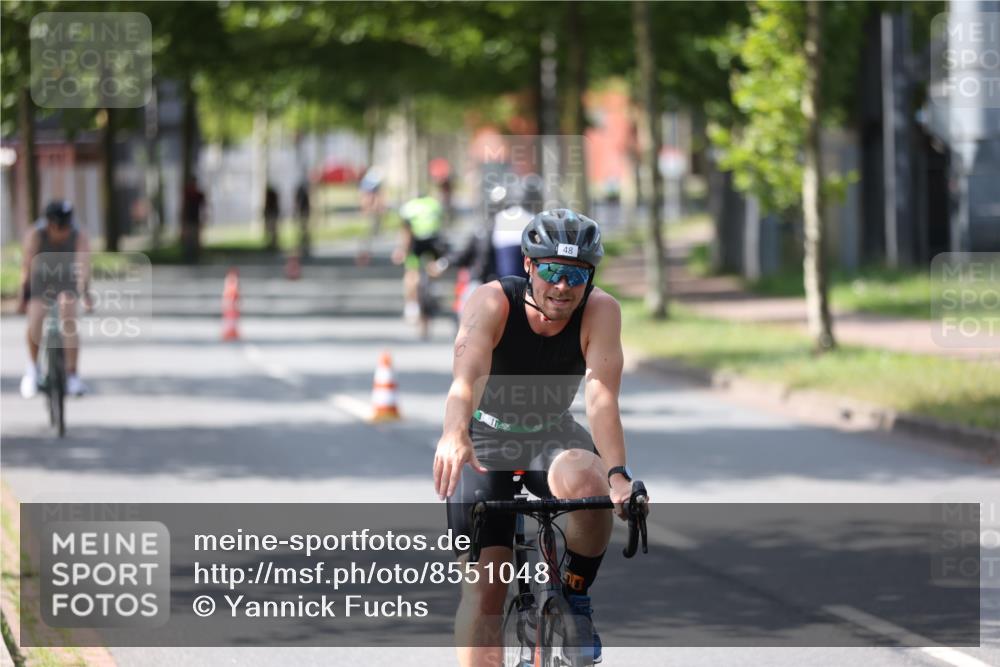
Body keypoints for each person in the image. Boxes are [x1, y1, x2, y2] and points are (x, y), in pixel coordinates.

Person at [434, 209, 643, 666]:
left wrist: (619, 476)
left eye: (575, 274)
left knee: (591, 484)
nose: (562, 286)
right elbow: (464, 382)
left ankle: (574, 596)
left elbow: (602, 397)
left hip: (549, 431)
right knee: (487, 594)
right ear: (528, 265)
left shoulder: (601, 310)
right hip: (485, 439)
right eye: (551, 270)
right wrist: (454, 433)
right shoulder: (492, 302)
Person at [18, 200, 93, 398]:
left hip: (66, 280)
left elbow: (84, 266)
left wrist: (85, 293)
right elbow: (27, 265)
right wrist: (23, 295)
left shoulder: (79, 235)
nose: (65, 231)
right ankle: (33, 370)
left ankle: (72, 375)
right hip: (41, 280)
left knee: (69, 316)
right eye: (61, 227)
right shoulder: (36, 234)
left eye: (67, 226)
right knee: (36, 316)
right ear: (50, 224)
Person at [393, 189, 446, 338]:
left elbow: (405, 231)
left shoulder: (409, 206)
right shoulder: (434, 204)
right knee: (435, 269)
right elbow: (440, 225)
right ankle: (435, 288)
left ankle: (411, 307)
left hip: (416, 243)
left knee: (411, 273)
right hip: (434, 243)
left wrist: (401, 250)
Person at [181, 177, 206, 264]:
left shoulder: (198, 195)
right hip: (189, 220)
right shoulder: (187, 194)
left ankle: (196, 257)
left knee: (196, 240)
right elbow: (184, 207)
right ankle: (189, 257)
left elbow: (204, 207)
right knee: (189, 240)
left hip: (195, 220)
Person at [294, 180, 311, 258]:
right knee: (303, 230)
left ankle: (305, 245)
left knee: (304, 230)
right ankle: (303, 245)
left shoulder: (304, 194)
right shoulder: (302, 194)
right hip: (302, 213)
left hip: (304, 213)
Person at [263, 184, 280, 252]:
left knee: (272, 230)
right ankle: (271, 243)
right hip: (271, 214)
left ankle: (273, 243)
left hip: (272, 214)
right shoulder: (271, 198)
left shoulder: (271, 198)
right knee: (270, 230)